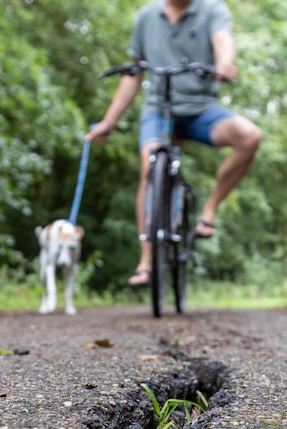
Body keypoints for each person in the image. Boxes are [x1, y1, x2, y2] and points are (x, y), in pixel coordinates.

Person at [85, 0, 262, 287]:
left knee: (250, 136)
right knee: (150, 165)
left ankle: (209, 210)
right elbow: (133, 75)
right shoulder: (147, 15)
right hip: (158, 109)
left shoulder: (212, 9)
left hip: (201, 109)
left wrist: (224, 63)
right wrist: (108, 122)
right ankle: (146, 261)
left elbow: (223, 41)